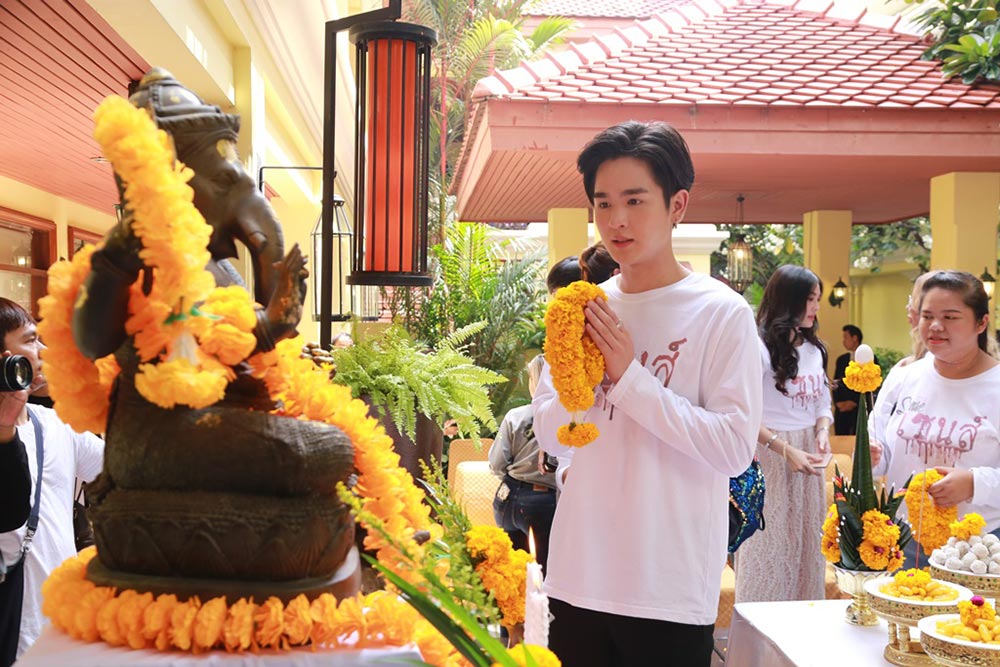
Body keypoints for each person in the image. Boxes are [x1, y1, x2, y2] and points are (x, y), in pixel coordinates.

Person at [533, 121, 762, 667]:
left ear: (677, 204)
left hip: (668, 588)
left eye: (635, 200)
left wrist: (629, 379)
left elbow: (733, 448)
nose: (617, 219)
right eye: (603, 203)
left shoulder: (720, 312)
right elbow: (550, 434)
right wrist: (581, 383)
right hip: (578, 575)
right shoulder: (584, 306)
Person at [0, 298, 104, 665]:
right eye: (31, 340)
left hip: (61, 630)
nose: (44, 351)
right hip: (13, 631)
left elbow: (124, 470)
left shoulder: (55, 425)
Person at [871, 271, 1000, 563]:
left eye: (950, 317)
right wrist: (871, 457)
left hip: (977, 550)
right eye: (927, 316)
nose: (936, 326)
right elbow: (879, 446)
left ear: (981, 323)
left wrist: (974, 483)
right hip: (903, 540)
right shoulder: (904, 376)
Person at [734, 265, 831, 603]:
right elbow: (742, 415)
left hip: (807, 454)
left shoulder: (815, 349)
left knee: (807, 545)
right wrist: (785, 450)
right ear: (789, 300)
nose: (816, 307)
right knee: (769, 545)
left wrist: (822, 431)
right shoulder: (758, 349)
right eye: (810, 299)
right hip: (769, 455)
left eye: (818, 299)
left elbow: (821, 402)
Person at [489, 355, 556, 571]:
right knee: (542, 571)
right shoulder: (566, 419)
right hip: (542, 503)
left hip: (506, 498)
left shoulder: (515, 416)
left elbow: (496, 463)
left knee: (510, 569)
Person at [832, 324, 864, 435]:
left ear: (854, 338)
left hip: (859, 409)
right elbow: (836, 383)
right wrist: (838, 403)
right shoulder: (841, 359)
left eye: (846, 337)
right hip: (842, 409)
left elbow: (871, 385)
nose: (843, 341)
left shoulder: (869, 358)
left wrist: (854, 402)